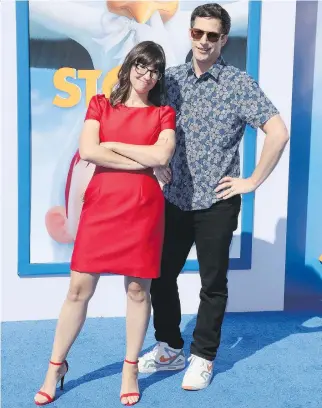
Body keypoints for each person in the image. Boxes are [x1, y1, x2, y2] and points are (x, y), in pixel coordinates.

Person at [138, 3, 289, 391]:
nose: (203, 41)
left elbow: (278, 132)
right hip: (174, 197)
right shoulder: (170, 80)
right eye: (197, 33)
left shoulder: (238, 84)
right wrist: (156, 164)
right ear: (189, 33)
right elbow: (146, 126)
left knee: (212, 283)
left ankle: (203, 357)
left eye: (212, 35)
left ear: (223, 39)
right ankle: (170, 348)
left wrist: (252, 180)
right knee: (159, 276)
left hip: (218, 201)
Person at [34, 41, 176, 406]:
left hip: (143, 209)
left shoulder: (163, 113)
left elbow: (161, 155)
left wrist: (113, 146)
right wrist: (141, 162)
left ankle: (130, 368)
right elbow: (89, 151)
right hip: (101, 207)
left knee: (137, 291)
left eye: (155, 70)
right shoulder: (100, 104)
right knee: (78, 289)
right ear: (129, 67)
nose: (147, 76)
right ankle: (55, 367)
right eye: (141, 67)